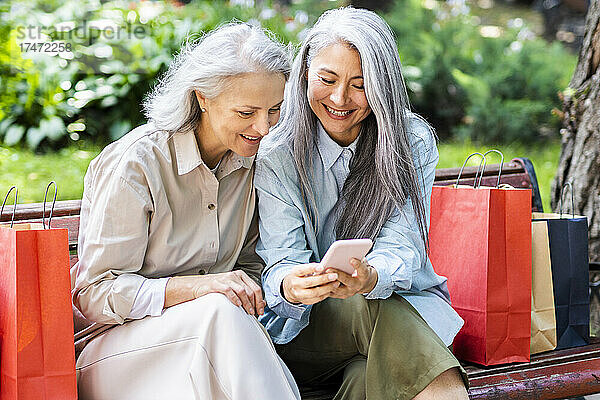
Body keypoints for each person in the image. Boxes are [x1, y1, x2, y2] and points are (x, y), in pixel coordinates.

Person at [71, 23, 300, 400]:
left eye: (274, 110)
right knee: (218, 312)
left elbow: (250, 266)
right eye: (246, 112)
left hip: (217, 347)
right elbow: (95, 295)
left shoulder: (258, 162)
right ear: (202, 98)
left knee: (221, 320)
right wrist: (198, 289)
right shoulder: (138, 163)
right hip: (115, 354)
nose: (263, 127)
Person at [255, 7, 469, 400]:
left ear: (382, 85)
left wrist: (369, 277)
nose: (340, 98)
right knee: (371, 308)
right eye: (327, 79)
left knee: (362, 377)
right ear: (305, 75)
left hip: (388, 329)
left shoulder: (409, 140)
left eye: (360, 83)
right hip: (309, 329)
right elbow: (281, 259)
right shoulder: (279, 151)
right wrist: (291, 284)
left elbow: (403, 246)